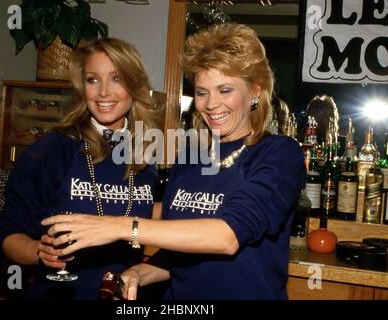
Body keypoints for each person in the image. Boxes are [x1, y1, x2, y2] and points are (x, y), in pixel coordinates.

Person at [42, 23, 306, 300]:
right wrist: (140, 273)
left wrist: (117, 226)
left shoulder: (279, 154)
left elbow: (226, 237)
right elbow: (181, 251)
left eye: (225, 89)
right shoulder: (192, 156)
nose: (211, 104)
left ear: (255, 91)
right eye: (202, 92)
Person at [0, 38, 162, 299]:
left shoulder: (146, 152)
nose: (104, 92)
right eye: (93, 80)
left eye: (116, 78)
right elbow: (7, 235)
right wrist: (39, 250)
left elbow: (148, 217)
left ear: (134, 85)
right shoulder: (54, 149)